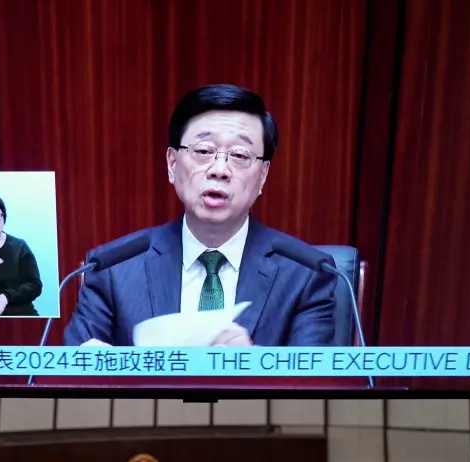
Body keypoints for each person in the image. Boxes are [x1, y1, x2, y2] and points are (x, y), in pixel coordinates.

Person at [63, 84, 336, 348]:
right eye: (204, 151)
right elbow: (69, 378)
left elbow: (310, 388)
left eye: (240, 155)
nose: (220, 169)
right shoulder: (114, 269)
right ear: (172, 164)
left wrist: (252, 368)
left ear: (263, 175)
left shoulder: (306, 275)